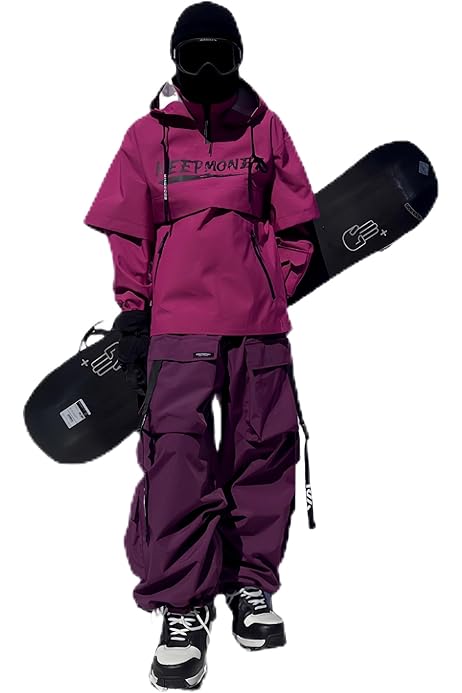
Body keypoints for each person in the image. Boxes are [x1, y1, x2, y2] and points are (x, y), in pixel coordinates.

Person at [84, 2, 320, 689]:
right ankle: (183, 604)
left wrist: (271, 284)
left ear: (240, 58)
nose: (208, 69)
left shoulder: (265, 127)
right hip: (177, 325)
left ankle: (250, 585)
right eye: (195, 56)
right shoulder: (146, 137)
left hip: (257, 326)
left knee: (264, 450)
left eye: (222, 54)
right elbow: (128, 230)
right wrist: (135, 308)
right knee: (177, 460)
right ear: (175, 60)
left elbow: (297, 223)